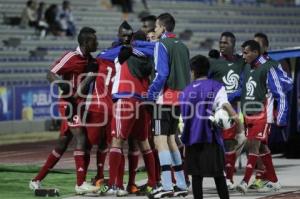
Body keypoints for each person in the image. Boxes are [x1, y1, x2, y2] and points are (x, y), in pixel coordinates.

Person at [35, 27, 99, 195]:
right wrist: (62, 85)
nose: (97, 43)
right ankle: (80, 183)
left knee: (62, 144)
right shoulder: (71, 57)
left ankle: (36, 180)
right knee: (81, 138)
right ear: (86, 42)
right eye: (94, 40)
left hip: (80, 105)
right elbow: (50, 73)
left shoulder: (90, 60)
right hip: (69, 103)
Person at [99, 24, 157, 197]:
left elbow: (101, 56)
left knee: (117, 141)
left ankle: (114, 185)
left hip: (124, 97)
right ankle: (153, 183)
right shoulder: (151, 54)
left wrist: (126, 47)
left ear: (132, 39)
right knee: (144, 142)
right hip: (143, 100)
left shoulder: (123, 50)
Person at [180, 55, 240, 199]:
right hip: (211, 137)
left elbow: (183, 118)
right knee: (219, 175)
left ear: (193, 71)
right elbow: (224, 105)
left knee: (196, 177)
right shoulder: (216, 86)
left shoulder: (185, 91)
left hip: (192, 139)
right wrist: (238, 122)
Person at [236, 40, 292, 194]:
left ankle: (245, 181)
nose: (243, 55)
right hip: (248, 113)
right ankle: (274, 181)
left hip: (262, 114)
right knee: (261, 147)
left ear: (256, 52)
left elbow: (281, 92)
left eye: (246, 52)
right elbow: (243, 89)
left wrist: (281, 116)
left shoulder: (269, 66)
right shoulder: (247, 67)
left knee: (253, 145)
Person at [147, 13, 189, 198]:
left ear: (163, 28)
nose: (155, 30)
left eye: (156, 27)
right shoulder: (183, 46)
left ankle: (166, 186)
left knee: (160, 140)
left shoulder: (161, 44)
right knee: (171, 139)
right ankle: (180, 184)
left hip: (164, 97)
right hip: (179, 98)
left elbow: (161, 74)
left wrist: (150, 94)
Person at [208, 31, 246, 189]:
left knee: (233, 142)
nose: (222, 45)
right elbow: (207, 83)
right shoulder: (213, 62)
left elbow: (243, 84)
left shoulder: (241, 62)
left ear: (233, 45)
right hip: (216, 109)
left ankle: (228, 178)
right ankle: (221, 173)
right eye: (221, 42)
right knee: (218, 144)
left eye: (226, 43)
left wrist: (230, 96)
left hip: (234, 109)